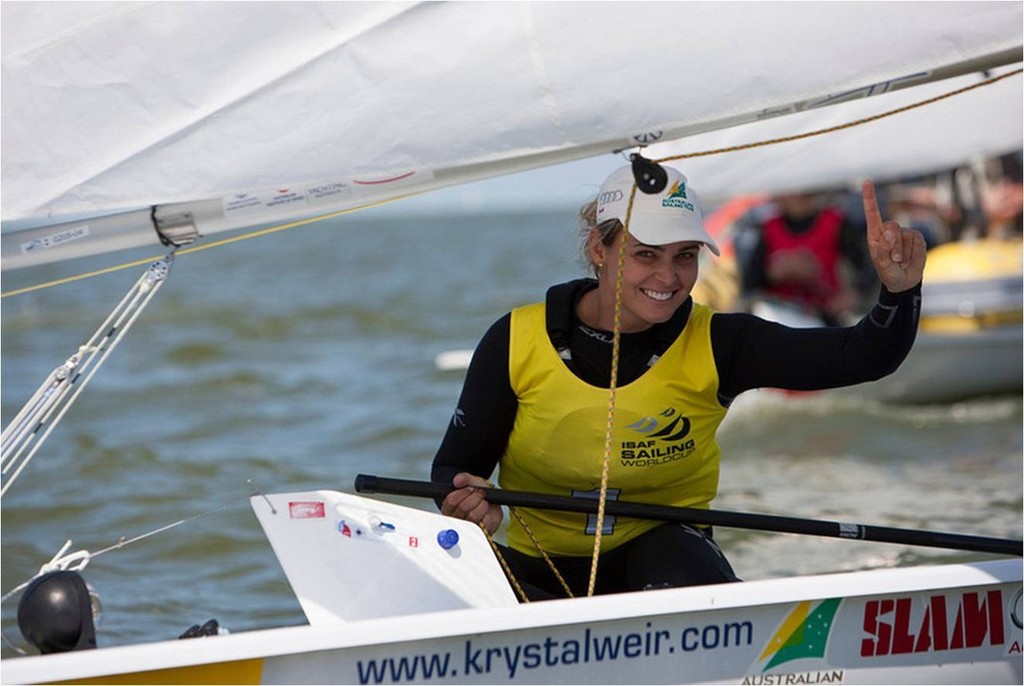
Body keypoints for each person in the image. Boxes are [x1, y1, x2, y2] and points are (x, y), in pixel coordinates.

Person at [431, 158, 925, 600]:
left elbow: (863, 357)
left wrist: (899, 293)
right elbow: (453, 469)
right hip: (537, 570)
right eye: (647, 254)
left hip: (670, 562)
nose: (669, 277)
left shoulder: (719, 343)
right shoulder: (515, 340)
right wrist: (467, 502)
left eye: (685, 255)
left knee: (671, 555)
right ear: (598, 249)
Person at [735, 190, 876, 326]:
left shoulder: (835, 222)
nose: (798, 197)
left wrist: (855, 294)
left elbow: (867, 264)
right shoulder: (768, 229)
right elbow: (749, 283)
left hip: (824, 313)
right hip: (779, 315)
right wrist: (773, 274)